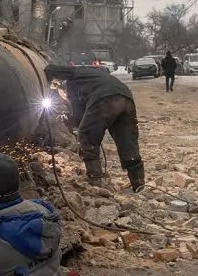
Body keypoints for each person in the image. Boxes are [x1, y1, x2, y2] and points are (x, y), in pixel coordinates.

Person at [44, 63, 145, 191]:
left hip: (105, 99)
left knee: (86, 136)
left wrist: (70, 120)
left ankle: (95, 180)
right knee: (127, 140)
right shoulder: (87, 73)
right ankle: (138, 182)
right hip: (126, 98)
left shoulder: (72, 83)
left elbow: (80, 118)